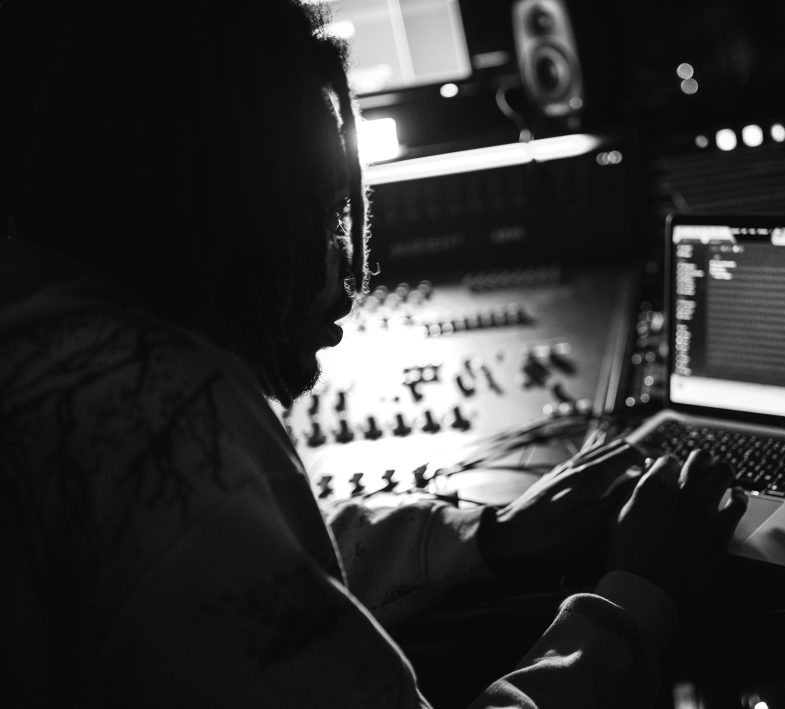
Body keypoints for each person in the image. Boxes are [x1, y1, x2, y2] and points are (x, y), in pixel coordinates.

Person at [0, 1, 747, 706]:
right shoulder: (159, 420)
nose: (347, 280)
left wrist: (488, 537)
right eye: (320, 209)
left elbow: (248, 576)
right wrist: (630, 602)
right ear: (215, 210)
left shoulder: (51, 350)